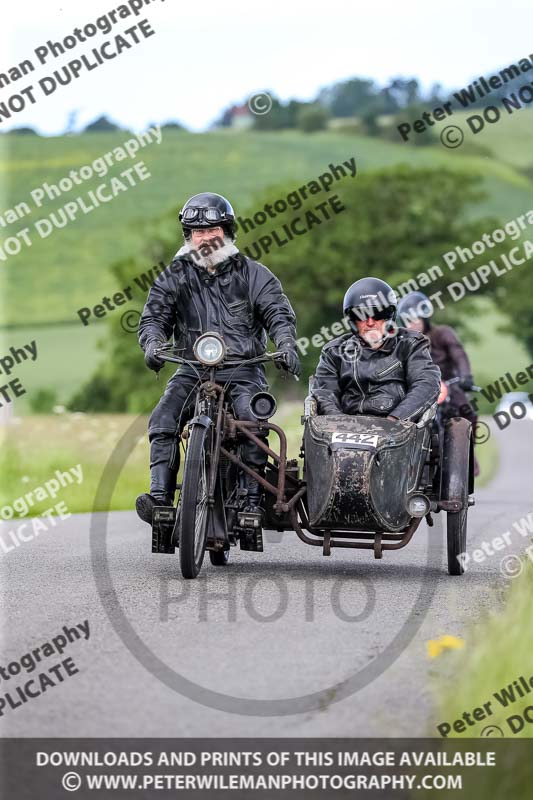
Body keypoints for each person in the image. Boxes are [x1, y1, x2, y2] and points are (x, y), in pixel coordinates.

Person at [136, 192, 299, 529]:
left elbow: (278, 314)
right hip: (191, 368)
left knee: (253, 422)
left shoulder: (255, 274)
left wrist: (285, 343)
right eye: (198, 231)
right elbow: (153, 317)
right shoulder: (174, 276)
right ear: (188, 236)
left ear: (227, 230)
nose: (206, 237)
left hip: (243, 370)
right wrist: (152, 342)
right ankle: (161, 499)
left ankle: (251, 502)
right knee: (162, 419)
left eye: (213, 229)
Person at [313, 278, 441, 420]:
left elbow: (426, 383)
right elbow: (324, 394)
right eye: (361, 315)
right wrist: (338, 423)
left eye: (378, 314)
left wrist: (396, 419)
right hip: (345, 428)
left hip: (398, 428)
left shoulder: (410, 344)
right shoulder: (334, 352)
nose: (370, 322)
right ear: (352, 320)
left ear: (389, 316)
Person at [396, 290, 480, 475]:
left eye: (416, 319)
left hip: (446, 386)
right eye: (408, 320)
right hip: (415, 391)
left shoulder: (442, 333)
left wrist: (465, 376)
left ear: (425, 318)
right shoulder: (402, 341)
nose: (413, 324)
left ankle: (466, 455)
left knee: (467, 412)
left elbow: (458, 354)